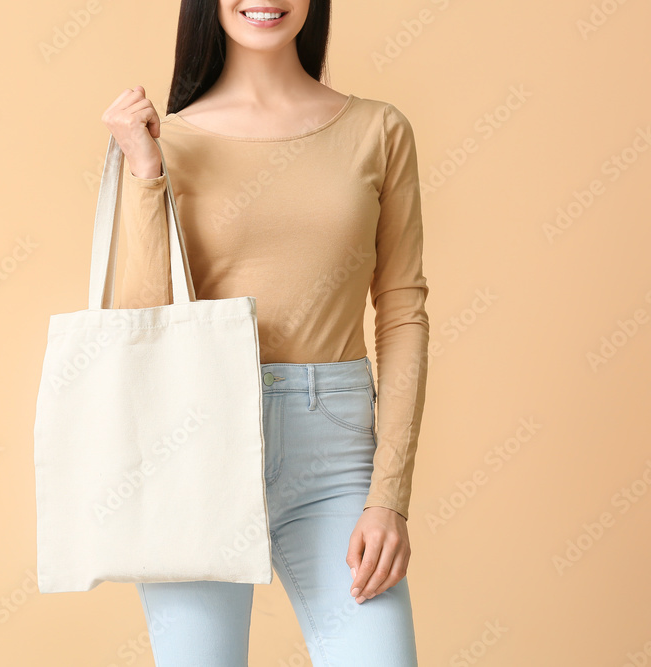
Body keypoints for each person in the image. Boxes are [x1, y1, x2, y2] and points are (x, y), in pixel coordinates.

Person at [101, 1, 430, 664]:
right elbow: (138, 325)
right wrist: (143, 170)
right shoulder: (167, 139)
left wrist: (389, 496)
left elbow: (401, 312)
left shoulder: (379, 130)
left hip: (335, 455)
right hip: (195, 443)